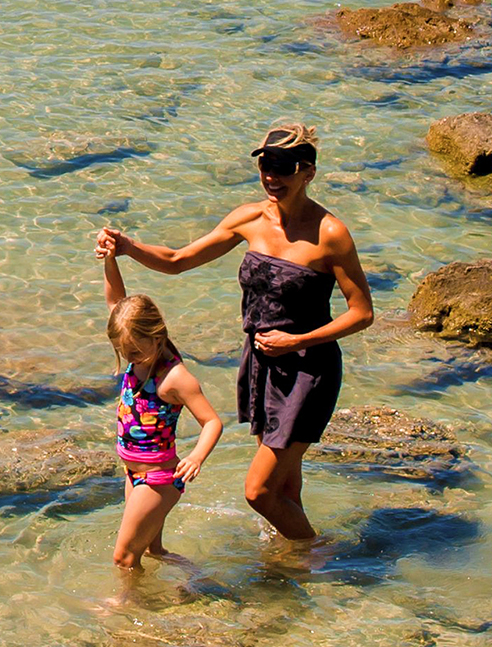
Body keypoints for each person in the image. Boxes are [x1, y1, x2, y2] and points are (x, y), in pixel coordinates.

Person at [96, 122, 371, 545]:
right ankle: (292, 561)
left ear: (308, 172)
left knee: (258, 492)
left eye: (282, 168)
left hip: (306, 372)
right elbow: (178, 260)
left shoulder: (330, 234)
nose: (270, 177)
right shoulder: (249, 218)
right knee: (284, 485)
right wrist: (128, 248)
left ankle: (318, 555)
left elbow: (362, 313)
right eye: (264, 165)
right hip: (261, 366)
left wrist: (296, 340)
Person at [100, 249, 224, 570]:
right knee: (152, 552)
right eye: (123, 351)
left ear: (157, 338)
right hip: (134, 473)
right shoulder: (136, 342)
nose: (130, 358)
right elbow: (116, 302)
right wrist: (110, 259)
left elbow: (211, 422)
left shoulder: (174, 379)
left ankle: (125, 608)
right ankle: (194, 576)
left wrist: (196, 457)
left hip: (159, 477)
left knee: (123, 557)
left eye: (135, 353)